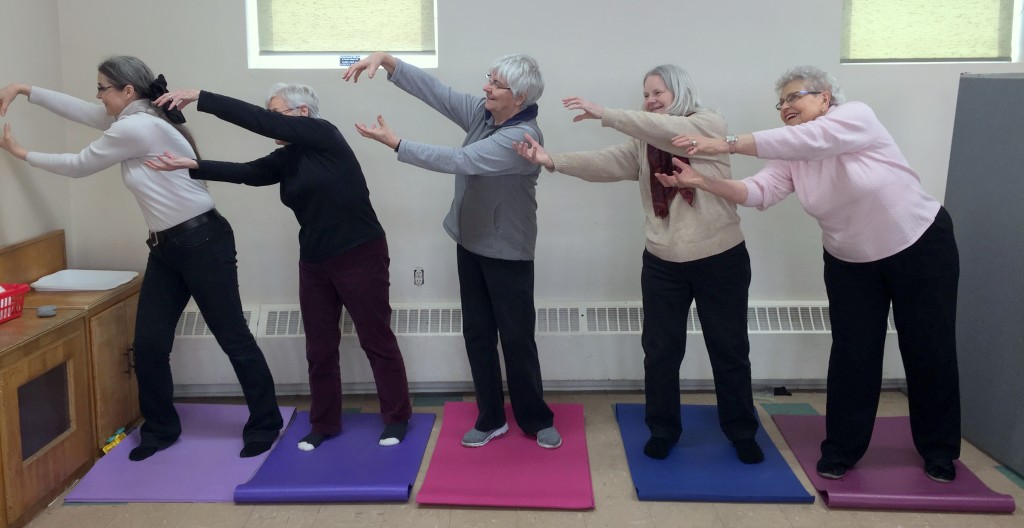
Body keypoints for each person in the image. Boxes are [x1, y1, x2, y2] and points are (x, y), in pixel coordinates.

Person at [656, 65, 961, 482]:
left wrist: (723, 143)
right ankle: (842, 449)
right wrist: (701, 181)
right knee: (854, 356)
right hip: (849, 259)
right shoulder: (791, 151)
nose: (785, 107)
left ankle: (939, 451)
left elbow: (816, 139)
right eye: (780, 103)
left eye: (794, 97)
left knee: (928, 349)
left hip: (919, 244)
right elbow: (758, 192)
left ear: (824, 98)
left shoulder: (855, 117)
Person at [0, 56, 282, 461]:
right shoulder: (140, 117)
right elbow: (85, 112)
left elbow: (80, 166)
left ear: (127, 91)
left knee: (232, 336)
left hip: (202, 242)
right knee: (148, 345)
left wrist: (22, 153)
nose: (97, 97)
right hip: (167, 248)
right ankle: (161, 428)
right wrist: (26, 90)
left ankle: (265, 424)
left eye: (102, 89)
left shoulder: (138, 126)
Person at [513, 65, 764, 463]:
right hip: (663, 261)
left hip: (720, 258)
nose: (650, 100)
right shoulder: (644, 143)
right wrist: (552, 160)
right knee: (661, 351)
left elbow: (667, 132)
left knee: (729, 349)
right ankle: (663, 429)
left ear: (680, 92)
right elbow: (605, 162)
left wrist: (607, 114)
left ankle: (741, 431)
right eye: (646, 95)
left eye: (658, 92)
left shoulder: (707, 124)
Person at [146, 83, 413, 450]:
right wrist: (194, 165)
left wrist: (203, 98)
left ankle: (397, 418)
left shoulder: (324, 136)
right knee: (319, 348)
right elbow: (249, 172)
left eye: (276, 113)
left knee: (376, 339)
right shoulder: (286, 159)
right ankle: (324, 423)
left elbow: (257, 123)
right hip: (315, 261)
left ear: (302, 113)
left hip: (359, 253)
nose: (270, 121)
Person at [342, 51, 561, 449]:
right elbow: (439, 94)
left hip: (508, 250)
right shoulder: (485, 114)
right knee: (477, 334)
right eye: (489, 78)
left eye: (496, 84)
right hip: (471, 242)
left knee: (516, 339)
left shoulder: (521, 137)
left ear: (521, 96)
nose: (486, 87)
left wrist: (399, 144)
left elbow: (463, 159)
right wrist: (389, 61)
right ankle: (491, 417)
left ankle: (535, 418)